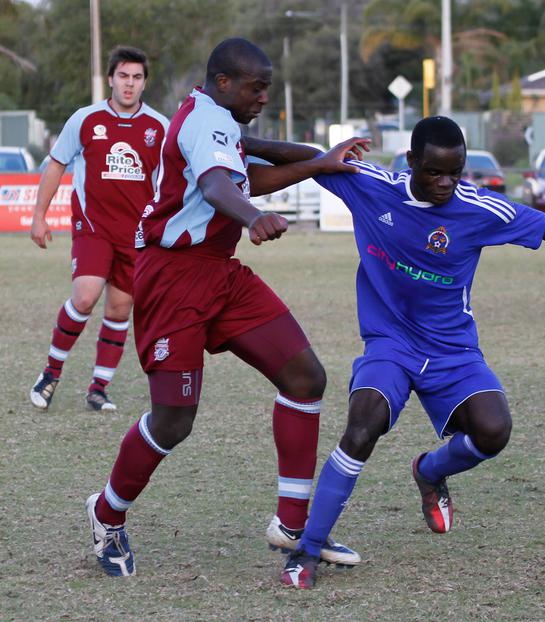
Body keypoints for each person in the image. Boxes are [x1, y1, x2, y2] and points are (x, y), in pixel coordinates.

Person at [279, 116, 545, 589]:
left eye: (455, 172)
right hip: (390, 342)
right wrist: (236, 139)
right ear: (411, 161)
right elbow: (298, 153)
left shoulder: (476, 208)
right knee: (362, 424)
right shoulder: (372, 186)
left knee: (494, 431)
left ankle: (429, 471)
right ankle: (307, 549)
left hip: (452, 347)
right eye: (434, 172)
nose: (446, 183)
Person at [84, 37, 370, 578]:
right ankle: (105, 514)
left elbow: (249, 166)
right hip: (173, 277)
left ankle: (292, 526)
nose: (264, 95)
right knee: (174, 420)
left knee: (305, 377)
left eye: (266, 86)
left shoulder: (217, 117)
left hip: (219, 271)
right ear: (223, 82)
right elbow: (218, 186)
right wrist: (252, 217)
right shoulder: (204, 120)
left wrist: (319, 163)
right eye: (256, 86)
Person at [29, 46, 169, 412]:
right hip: (93, 227)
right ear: (110, 79)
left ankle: (99, 388)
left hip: (135, 235)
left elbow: (170, 182)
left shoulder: (159, 127)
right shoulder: (86, 119)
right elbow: (57, 165)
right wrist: (39, 215)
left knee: (120, 310)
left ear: (144, 83)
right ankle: (50, 374)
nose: (129, 84)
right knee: (86, 296)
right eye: (123, 76)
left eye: (137, 78)